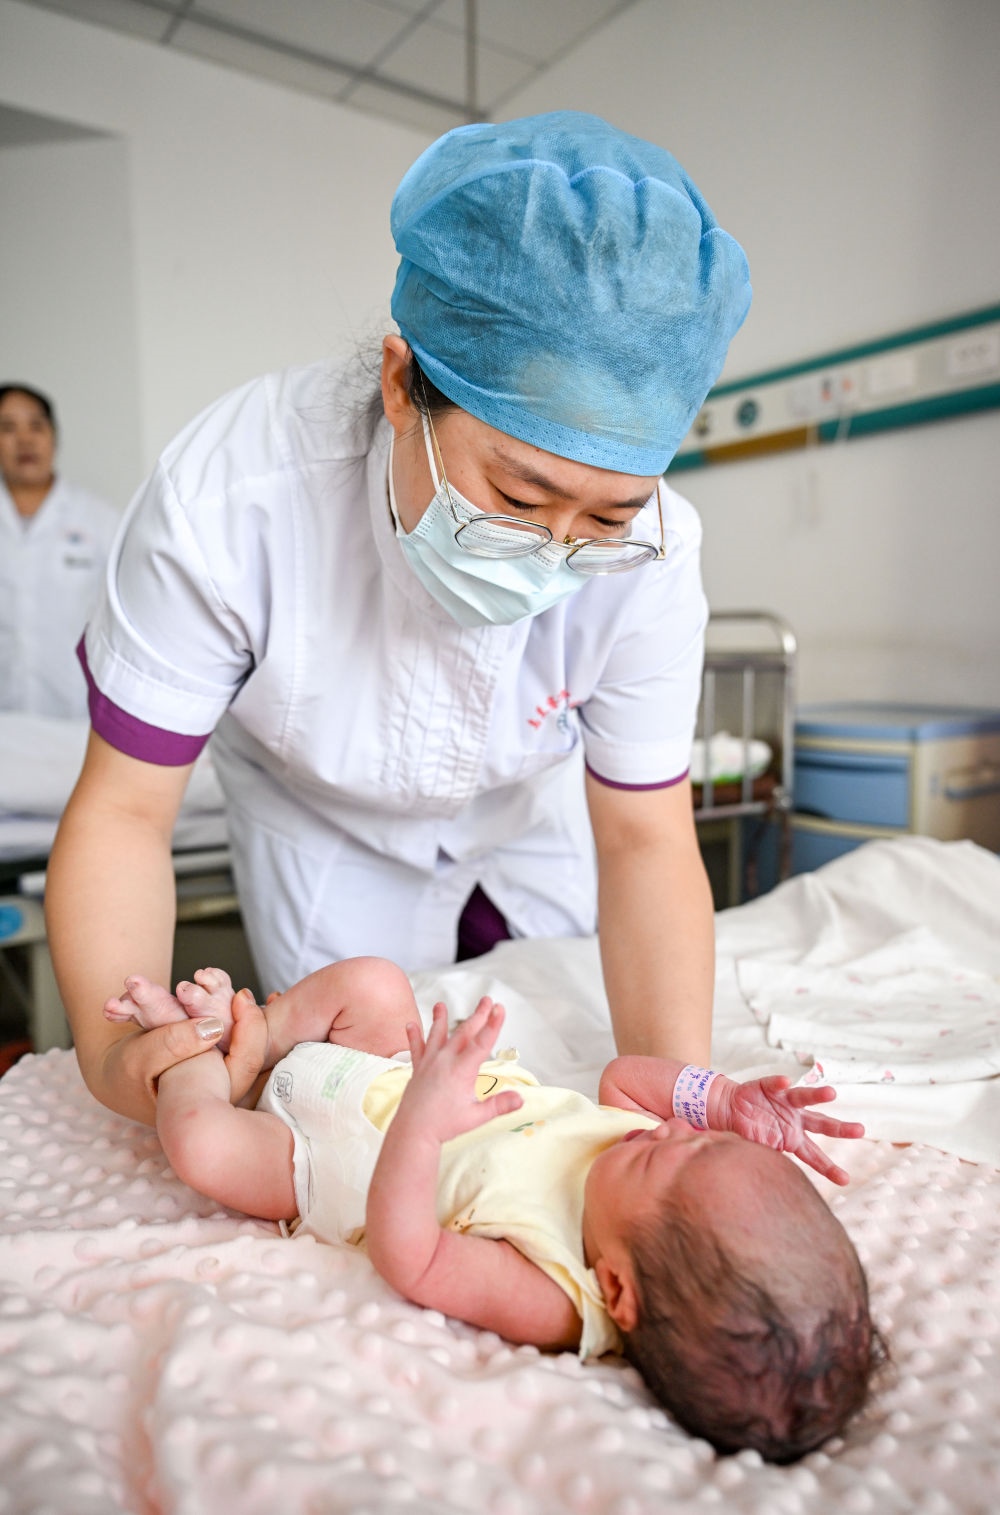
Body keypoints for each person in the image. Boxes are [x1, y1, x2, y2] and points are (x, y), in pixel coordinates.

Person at [46, 111, 754, 1128]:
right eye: (516, 497)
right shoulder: (229, 502)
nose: (555, 552)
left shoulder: (657, 553)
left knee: (545, 1080)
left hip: (530, 828)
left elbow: (646, 839)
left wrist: (679, 1103)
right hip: (324, 833)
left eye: (605, 519)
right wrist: (115, 1053)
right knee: (356, 1105)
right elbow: (124, 811)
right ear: (398, 385)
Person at [105, 959, 882, 1464]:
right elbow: (624, 1078)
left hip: (322, 1158)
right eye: (702, 1138)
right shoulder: (638, 1151)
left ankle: (195, 1060)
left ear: (618, 1288)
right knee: (374, 984)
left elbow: (413, 1255)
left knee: (203, 1145)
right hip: (390, 1068)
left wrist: (423, 1124)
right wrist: (719, 1098)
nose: (670, 1131)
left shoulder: (559, 1293)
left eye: (666, 1154)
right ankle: (258, 1037)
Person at [0, 384, 119, 718]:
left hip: (77, 714)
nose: (25, 440)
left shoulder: (100, 520)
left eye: (36, 426)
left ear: (54, 437)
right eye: (7, 427)